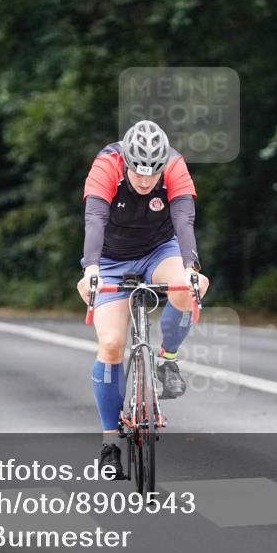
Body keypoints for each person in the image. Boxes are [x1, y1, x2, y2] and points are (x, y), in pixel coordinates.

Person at [77, 120, 210, 479]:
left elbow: (184, 219)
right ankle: (109, 445)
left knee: (188, 287)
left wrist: (192, 266)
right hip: (110, 258)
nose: (146, 180)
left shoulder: (175, 165)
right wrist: (91, 270)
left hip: (159, 251)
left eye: (154, 173)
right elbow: (95, 218)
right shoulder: (107, 164)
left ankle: (168, 360)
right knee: (111, 344)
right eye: (139, 172)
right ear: (127, 161)